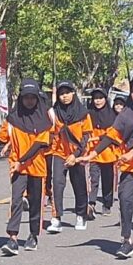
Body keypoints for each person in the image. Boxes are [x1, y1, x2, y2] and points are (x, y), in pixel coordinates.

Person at [80, 74, 133, 259]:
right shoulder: (125, 112)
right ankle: (126, 241)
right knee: (125, 201)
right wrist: (93, 154)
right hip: (127, 167)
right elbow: (112, 135)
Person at [0, 78, 51, 255]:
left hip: (35, 166)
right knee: (16, 201)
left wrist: (21, 161)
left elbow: (38, 145)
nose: (29, 100)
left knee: (36, 202)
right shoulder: (13, 120)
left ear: (37, 98)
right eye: (26, 97)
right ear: (20, 98)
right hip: (17, 168)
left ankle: (33, 235)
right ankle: (12, 238)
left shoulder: (44, 121)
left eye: (32, 97)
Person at [45, 81, 92, 232]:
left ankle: (81, 215)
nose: (64, 96)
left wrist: (76, 154)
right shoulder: (54, 113)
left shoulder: (83, 113)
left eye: (67, 93)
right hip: (59, 153)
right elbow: (50, 133)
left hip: (77, 155)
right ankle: (56, 217)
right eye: (61, 94)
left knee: (79, 184)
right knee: (57, 184)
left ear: (73, 93)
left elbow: (86, 137)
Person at [86, 88, 117, 217]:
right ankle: (91, 203)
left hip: (108, 153)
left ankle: (107, 203)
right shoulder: (88, 114)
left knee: (107, 180)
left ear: (106, 99)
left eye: (100, 98)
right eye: (95, 98)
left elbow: (111, 135)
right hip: (93, 153)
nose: (98, 101)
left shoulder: (112, 116)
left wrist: (96, 138)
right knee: (93, 178)